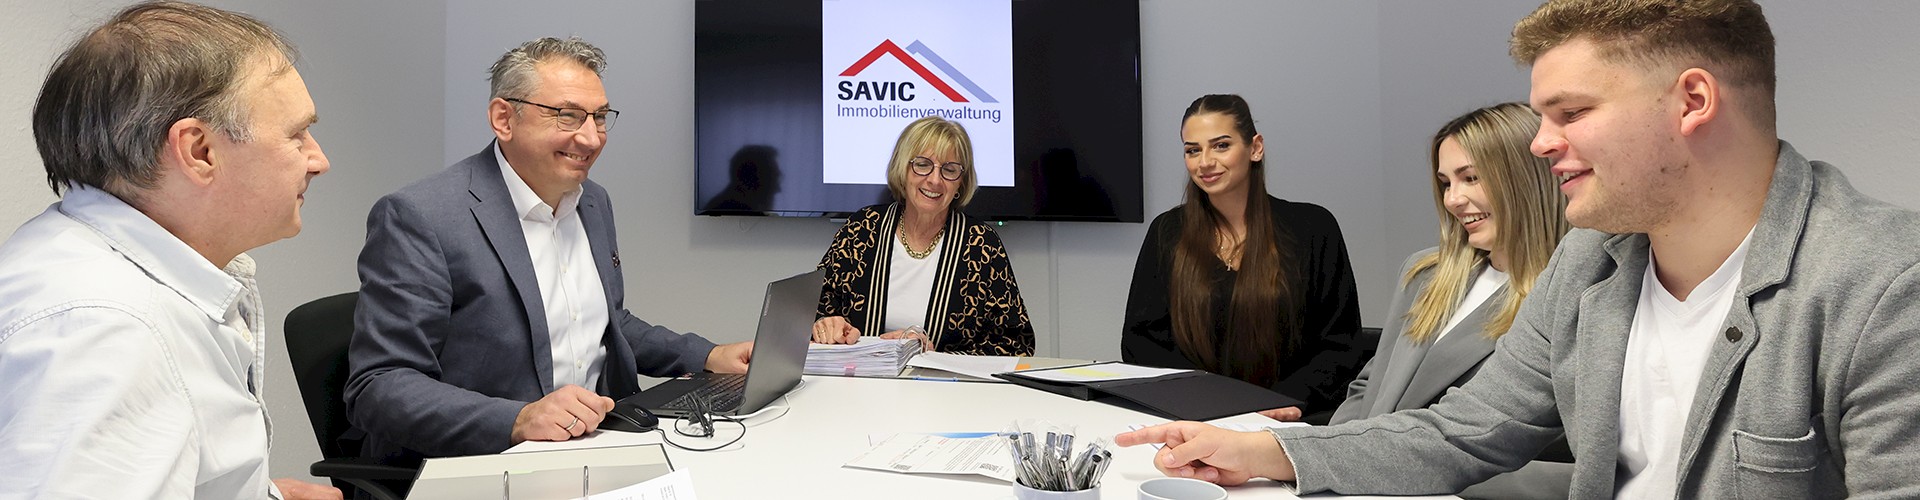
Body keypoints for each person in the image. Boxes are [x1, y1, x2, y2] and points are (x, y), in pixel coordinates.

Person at [1119, 0, 1920, 497]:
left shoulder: (1885, 283)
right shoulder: (1593, 261)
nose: (1539, 144)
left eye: (1571, 113)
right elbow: (1462, 431)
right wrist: (1263, 451)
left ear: (1692, 101)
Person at [345, 37, 754, 469]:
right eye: (567, 115)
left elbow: (607, 324)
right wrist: (519, 419)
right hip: (486, 462)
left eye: (600, 117)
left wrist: (707, 356)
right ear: (504, 118)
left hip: (597, 445)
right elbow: (378, 386)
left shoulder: (592, 201)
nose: (591, 138)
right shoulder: (422, 216)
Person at [0, 2, 340, 498]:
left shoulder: (88, 263)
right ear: (199, 151)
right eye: (296, 135)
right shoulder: (110, 331)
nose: (318, 160)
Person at [1330, 102, 1573, 499]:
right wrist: (1334, 456)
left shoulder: (1565, 296)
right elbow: (1369, 384)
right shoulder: (1423, 274)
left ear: (1527, 179)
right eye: (1446, 183)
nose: (1453, 199)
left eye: (1471, 178)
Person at [1121, 94, 1365, 425]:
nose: (1205, 162)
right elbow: (1141, 343)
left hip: (1287, 421)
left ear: (1255, 148)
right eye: (1193, 150)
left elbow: (1340, 346)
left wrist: (1277, 404)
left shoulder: (1314, 228)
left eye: (1221, 146)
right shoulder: (1167, 232)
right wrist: (1205, 403)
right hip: (1193, 419)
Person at [812, 116, 1035, 356]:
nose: (935, 180)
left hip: (943, 380)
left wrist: (932, 356)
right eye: (922, 164)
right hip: (859, 376)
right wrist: (826, 326)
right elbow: (809, 312)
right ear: (903, 169)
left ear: (961, 183)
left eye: (949, 170)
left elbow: (1015, 345)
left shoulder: (981, 245)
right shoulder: (861, 229)